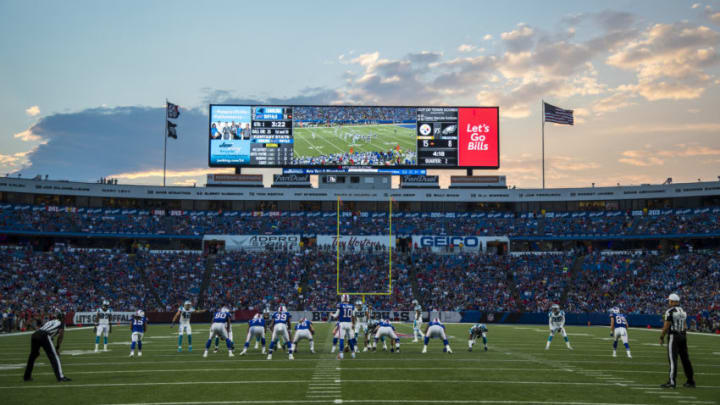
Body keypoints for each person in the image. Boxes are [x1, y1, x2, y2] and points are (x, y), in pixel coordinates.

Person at [23, 310, 71, 382]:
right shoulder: (61, 323)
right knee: (54, 356)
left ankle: (26, 376)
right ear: (62, 317)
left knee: (32, 356)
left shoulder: (50, 321)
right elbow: (60, 335)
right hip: (44, 335)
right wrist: (57, 347)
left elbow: (42, 329)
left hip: (35, 334)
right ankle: (60, 377)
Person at [660, 293, 695, 388]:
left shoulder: (670, 311)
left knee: (672, 359)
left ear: (672, 301)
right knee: (685, 359)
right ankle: (690, 380)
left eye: (669, 301)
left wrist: (661, 337)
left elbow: (666, 326)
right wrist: (683, 335)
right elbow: (684, 325)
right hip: (683, 335)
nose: (669, 302)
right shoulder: (683, 311)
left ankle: (672, 382)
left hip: (674, 336)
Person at [331, 294, 356, 359]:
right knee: (350, 339)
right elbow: (353, 316)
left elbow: (336, 315)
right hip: (349, 323)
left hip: (342, 323)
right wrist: (353, 323)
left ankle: (341, 354)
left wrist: (332, 314)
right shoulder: (352, 306)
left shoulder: (340, 305)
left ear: (342, 298)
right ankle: (353, 353)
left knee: (341, 339)